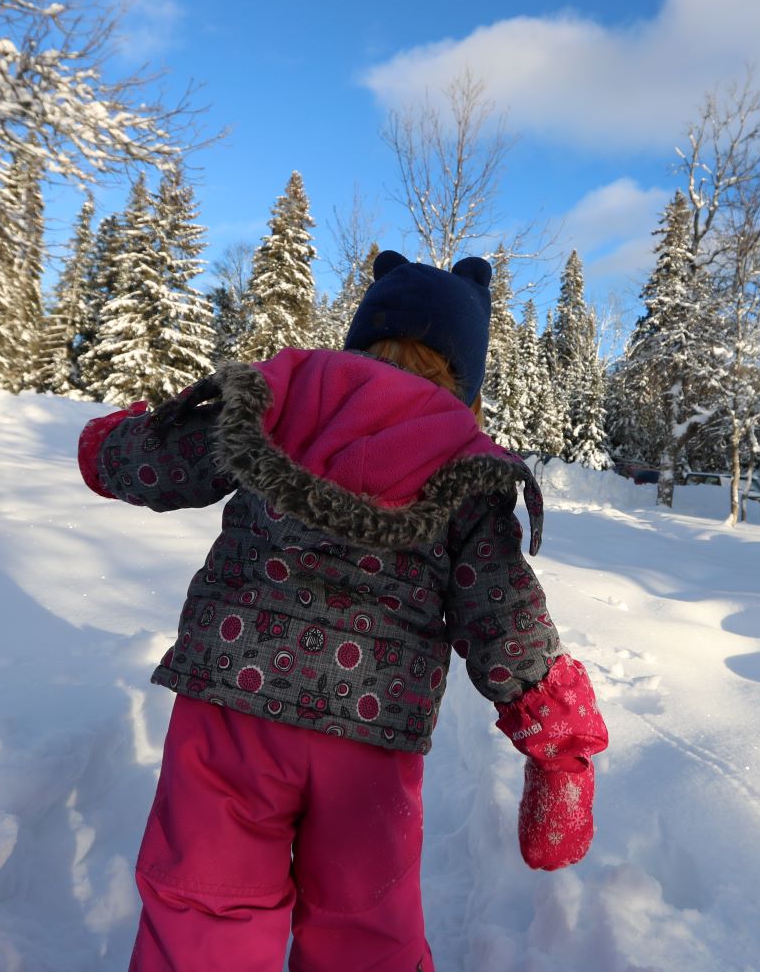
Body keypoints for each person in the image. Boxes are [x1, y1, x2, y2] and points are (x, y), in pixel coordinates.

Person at [77, 250, 609, 972]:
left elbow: (157, 461)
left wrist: (107, 442)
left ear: (362, 335)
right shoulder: (467, 459)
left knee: (207, 903)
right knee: (365, 927)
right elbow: (503, 618)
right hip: (371, 732)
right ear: (467, 378)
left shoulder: (284, 394)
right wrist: (562, 750)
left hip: (232, 700)